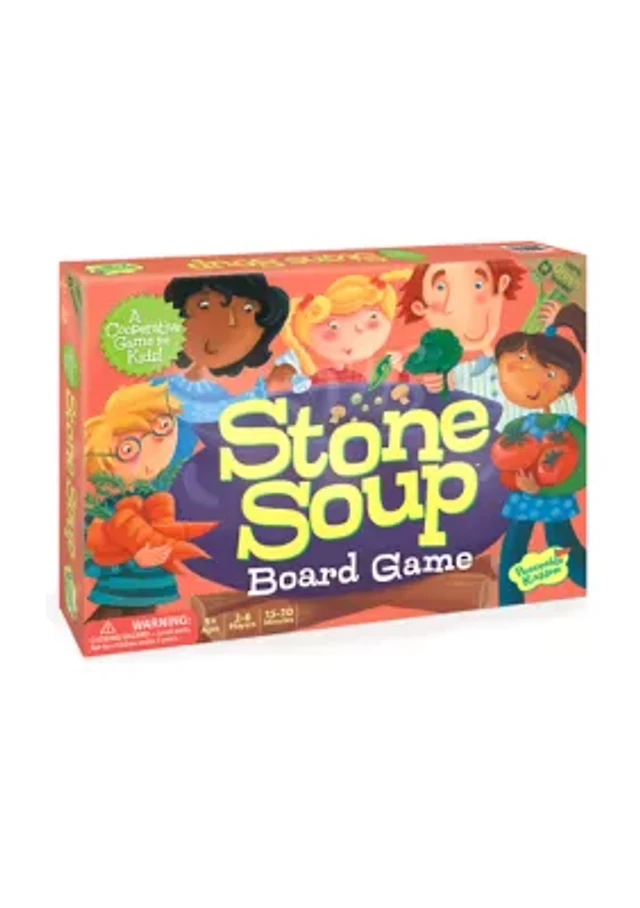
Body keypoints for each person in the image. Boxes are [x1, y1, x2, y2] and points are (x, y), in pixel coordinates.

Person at [84, 382, 215, 618]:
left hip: (154, 594)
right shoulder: (104, 511)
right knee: (104, 626)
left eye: (163, 426)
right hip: (113, 595)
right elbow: (88, 565)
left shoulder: (162, 500)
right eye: (127, 450)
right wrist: (134, 562)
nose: (153, 451)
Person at [396, 258, 577, 427]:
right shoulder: (464, 370)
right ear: (420, 308)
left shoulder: (555, 392)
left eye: (478, 285)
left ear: (501, 285)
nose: (460, 306)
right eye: (440, 287)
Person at [492, 304, 587, 605]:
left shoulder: (568, 427)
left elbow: (584, 468)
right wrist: (517, 483)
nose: (534, 381)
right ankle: (509, 605)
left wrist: (544, 488)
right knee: (513, 553)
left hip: (553, 500)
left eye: (550, 372)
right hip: (522, 500)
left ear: (565, 384)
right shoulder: (517, 427)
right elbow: (504, 465)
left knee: (563, 545)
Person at [159, 273, 309, 461]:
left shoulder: (239, 395)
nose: (231, 323)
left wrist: (277, 387)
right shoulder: (158, 390)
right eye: (204, 306)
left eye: (247, 310)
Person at [282, 271, 409, 383]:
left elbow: (398, 395)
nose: (357, 332)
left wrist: (401, 371)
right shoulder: (321, 378)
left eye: (373, 317)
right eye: (333, 327)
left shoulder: (364, 374)